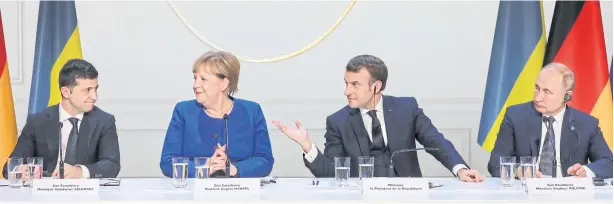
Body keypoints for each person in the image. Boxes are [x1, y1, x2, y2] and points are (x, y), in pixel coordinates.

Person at [273, 54, 484, 182]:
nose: (347, 91)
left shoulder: (406, 107)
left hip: (407, 196)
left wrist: (461, 169)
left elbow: (436, 142)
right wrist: (308, 147)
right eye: (346, 83)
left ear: (376, 86)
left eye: (355, 84)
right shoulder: (338, 121)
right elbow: (331, 173)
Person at [159, 51, 274, 178]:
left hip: (239, 194)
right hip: (194, 194)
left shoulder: (252, 111)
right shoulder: (183, 111)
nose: (195, 85)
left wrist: (235, 169)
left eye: (203, 79)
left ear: (223, 83)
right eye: (195, 78)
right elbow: (167, 162)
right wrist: (205, 166)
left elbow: (265, 161)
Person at [487, 63, 613, 178]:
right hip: (527, 194)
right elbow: (495, 162)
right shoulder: (515, 116)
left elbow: (609, 163)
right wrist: (517, 170)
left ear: (567, 96)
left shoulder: (587, 123)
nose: (538, 98)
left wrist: (586, 171)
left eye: (547, 92)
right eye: (537, 88)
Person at [2, 59, 120, 179]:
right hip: (44, 195)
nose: (95, 96)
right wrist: (20, 170)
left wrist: (79, 172)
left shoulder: (104, 121)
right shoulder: (37, 121)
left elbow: (112, 165)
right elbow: (9, 167)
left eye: (95, 89)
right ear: (66, 92)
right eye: (87, 90)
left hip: (85, 195)